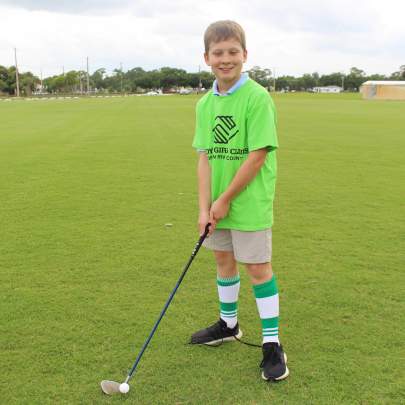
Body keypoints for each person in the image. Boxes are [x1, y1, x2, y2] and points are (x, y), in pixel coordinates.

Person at [190, 20, 289, 382]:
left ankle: (272, 343)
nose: (226, 59)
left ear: (245, 55)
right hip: (217, 204)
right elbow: (204, 156)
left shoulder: (258, 97)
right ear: (206, 58)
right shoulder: (204, 104)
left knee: (258, 268)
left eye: (233, 52)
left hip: (248, 201)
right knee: (222, 258)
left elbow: (258, 154)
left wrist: (226, 199)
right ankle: (229, 324)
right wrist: (205, 208)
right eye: (218, 53)